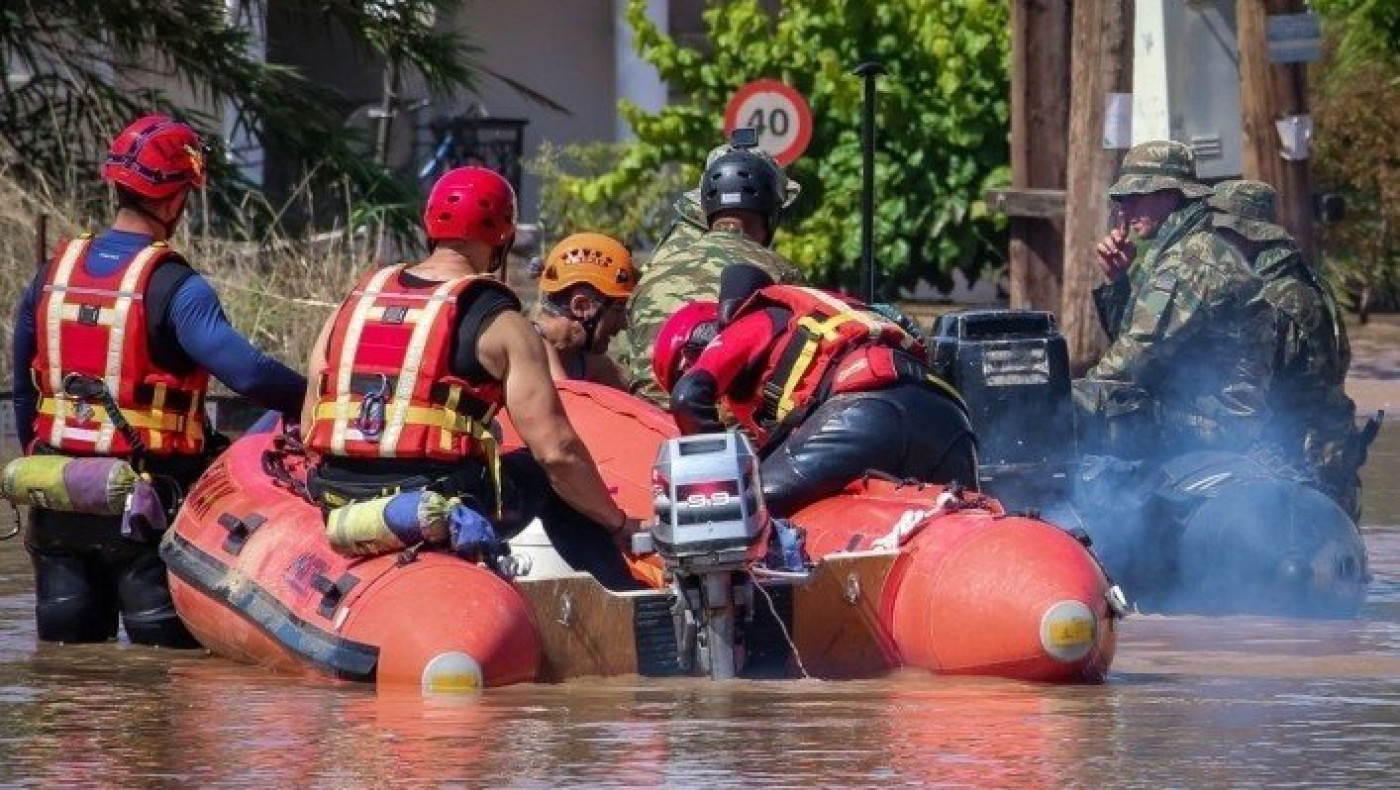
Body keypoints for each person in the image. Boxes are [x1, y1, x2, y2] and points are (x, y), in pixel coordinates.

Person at [10, 114, 308, 647]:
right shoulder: (177, 286)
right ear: (175, 200)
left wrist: (42, 451)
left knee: (68, 670)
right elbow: (245, 373)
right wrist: (312, 398)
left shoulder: (53, 272)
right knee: (164, 674)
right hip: (150, 504)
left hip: (57, 497)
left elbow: (22, 379)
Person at [300, 167, 644, 590]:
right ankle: (626, 596)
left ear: (430, 228)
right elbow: (557, 452)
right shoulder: (502, 324)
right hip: (438, 500)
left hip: (338, 499)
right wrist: (617, 521)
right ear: (504, 238)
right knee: (544, 473)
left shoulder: (354, 304)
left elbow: (309, 423)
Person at [657, 264, 978, 516]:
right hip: (946, 418)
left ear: (694, 349)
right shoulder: (814, 313)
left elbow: (687, 398)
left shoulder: (750, 321)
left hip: (868, 412)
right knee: (971, 521)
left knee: (742, 507)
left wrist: (718, 481)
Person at [1075, 141, 1275, 459]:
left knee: (1077, 414)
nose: (1124, 209)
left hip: (1218, 425)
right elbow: (1135, 347)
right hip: (1198, 413)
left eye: (1136, 196)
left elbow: (1135, 357)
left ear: (1171, 195)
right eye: (1121, 199)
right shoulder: (1182, 249)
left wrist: (1063, 400)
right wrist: (1117, 281)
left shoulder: (1194, 258)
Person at [1208, 180, 1368, 517]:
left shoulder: (1272, 298)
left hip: (1296, 472)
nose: (1215, 244)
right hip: (1331, 462)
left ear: (1247, 236)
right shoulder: (1306, 282)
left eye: (1223, 235)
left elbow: (1245, 395)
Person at [622, 138, 804, 408]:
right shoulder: (783, 274)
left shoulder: (654, 272)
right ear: (772, 212)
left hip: (649, 431)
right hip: (737, 440)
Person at [532, 232, 635, 388]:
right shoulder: (524, 349)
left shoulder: (596, 367)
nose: (623, 324)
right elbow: (563, 403)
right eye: (618, 309)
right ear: (581, 306)